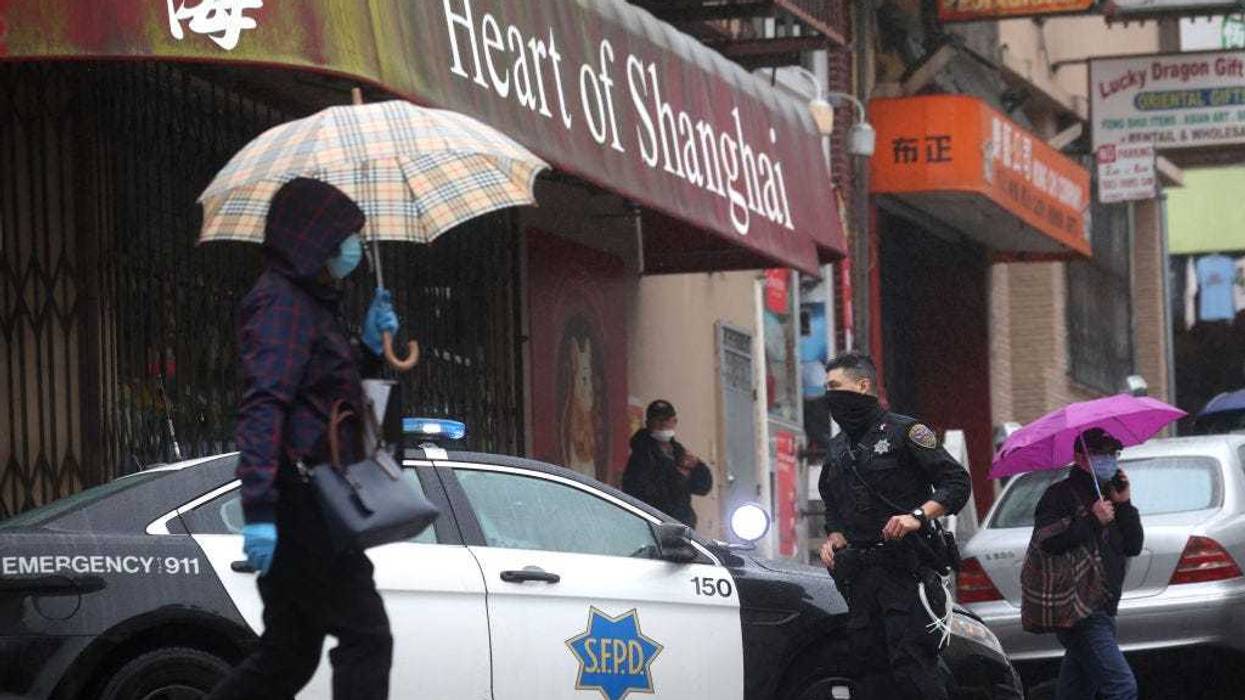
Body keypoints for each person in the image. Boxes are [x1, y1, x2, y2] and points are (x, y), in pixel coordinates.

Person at [208, 178, 397, 700]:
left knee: (290, 652)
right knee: (366, 637)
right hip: (304, 501)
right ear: (315, 240)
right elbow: (265, 405)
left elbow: (322, 393)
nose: (353, 249)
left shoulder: (310, 304)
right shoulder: (281, 304)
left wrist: (365, 346)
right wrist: (261, 511)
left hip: (308, 497)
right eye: (345, 238)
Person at [816, 352, 970, 700]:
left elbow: (956, 483)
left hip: (905, 569)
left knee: (912, 669)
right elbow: (833, 503)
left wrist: (917, 516)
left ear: (862, 385)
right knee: (868, 673)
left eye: (835, 387)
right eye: (827, 388)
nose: (830, 396)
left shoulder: (906, 431)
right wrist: (834, 535)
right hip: (860, 577)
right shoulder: (838, 447)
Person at [1033, 427, 1143, 700]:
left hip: (1103, 608)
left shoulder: (1108, 495)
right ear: (1081, 456)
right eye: (1101, 453)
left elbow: (1133, 545)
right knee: (1122, 687)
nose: (1109, 459)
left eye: (1113, 453)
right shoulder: (1059, 496)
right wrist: (1093, 520)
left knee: (1076, 691)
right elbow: (1049, 542)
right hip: (1079, 610)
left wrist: (1125, 503)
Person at [622, 400, 713, 528]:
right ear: (648, 423)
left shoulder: (678, 451)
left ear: (674, 422)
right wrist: (677, 477)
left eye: (666, 420)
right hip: (656, 526)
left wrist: (697, 466)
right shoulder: (641, 455)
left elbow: (703, 487)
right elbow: (638, 492)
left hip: (682, 526)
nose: (663, 424)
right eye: (658, 420)